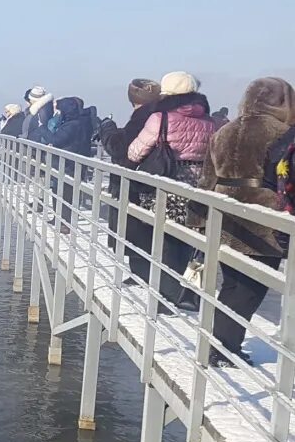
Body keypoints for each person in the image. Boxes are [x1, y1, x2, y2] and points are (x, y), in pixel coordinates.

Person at [191, 77, 295, 367]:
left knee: (234, 283)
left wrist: (198, 217)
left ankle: (219, 342)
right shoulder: (283, 132)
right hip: (263, 214)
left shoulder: (224, 130)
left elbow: (206, 179)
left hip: (224, 209)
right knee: (252, 288)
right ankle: (223, 348)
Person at [126, 71, 219, 311]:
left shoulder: (160, 118)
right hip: (198, 187)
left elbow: (134, 152)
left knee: (164, 240)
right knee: (188, 240)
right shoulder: (209, 121)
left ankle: (164, 298)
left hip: (166, 185)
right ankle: (184, 291)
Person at [101, 79, 162, 260]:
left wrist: (107, 129)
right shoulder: (160, 114)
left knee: (135, 230)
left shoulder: (143, 117)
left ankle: (141, 271)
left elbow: (120, 149)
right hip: (166, 182)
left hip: (137, 184)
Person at [40, 96, 96, 225]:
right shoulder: (82, 122)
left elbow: (56, 140)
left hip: (67, 163)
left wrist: (42, 129)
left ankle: (62, 221)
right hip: (77, 159)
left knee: (61, 191)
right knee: (68, 191)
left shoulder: (71, 125)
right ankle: (63, 220)